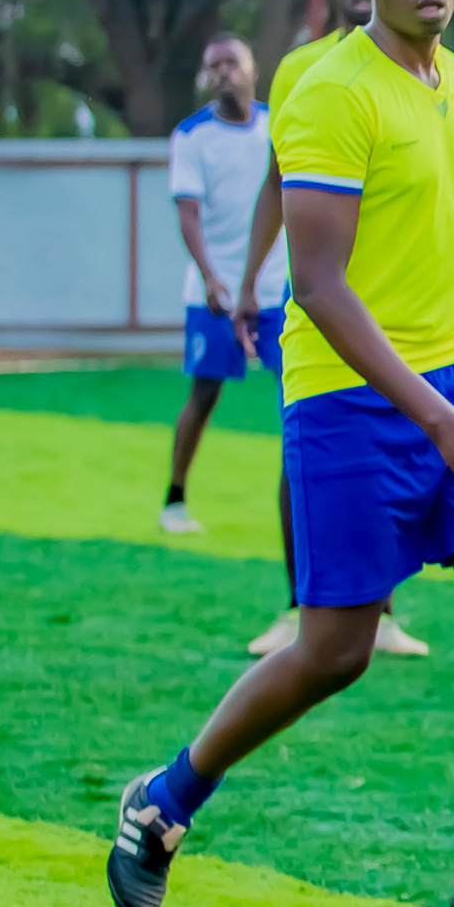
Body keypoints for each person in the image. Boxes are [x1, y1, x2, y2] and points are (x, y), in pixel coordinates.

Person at [106, 0, 454, 907]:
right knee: (335, 651)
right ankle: (165, 799)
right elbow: (316, 284)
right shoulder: (327, 92)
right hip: (351, 396)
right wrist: (442, 423)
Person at [231, 0, 425, 660]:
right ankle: (297, 606)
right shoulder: (302, 71)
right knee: (305, 450)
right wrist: (249, 280)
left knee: (399, 447)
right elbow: (278, 179)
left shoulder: (432, 73)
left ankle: (384, 611)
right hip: (319, 301)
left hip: (404, 301)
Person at [160, 35, 291, 538]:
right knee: (205, 393)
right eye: (213, 66)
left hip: (276, 288)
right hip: (214, 293)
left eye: (231, 62)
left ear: (253, 68)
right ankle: (175, 497)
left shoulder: (279, 124)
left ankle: (301, 500)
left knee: (296, 392)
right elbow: (188, 215)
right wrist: (212, 278)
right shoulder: (192, 137)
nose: (223, 72)